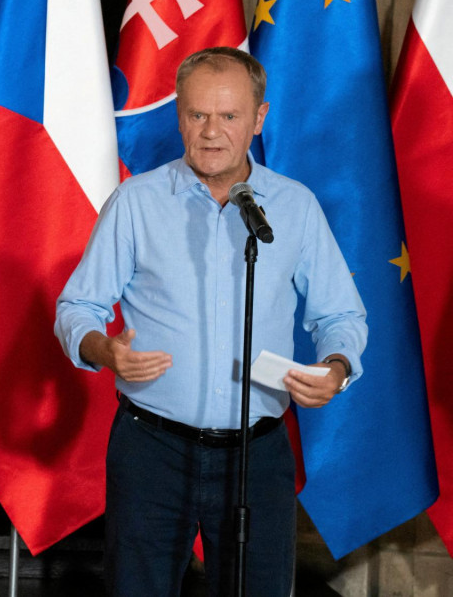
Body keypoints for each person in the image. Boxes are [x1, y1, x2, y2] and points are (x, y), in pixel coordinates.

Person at [54, 47, 367, 596]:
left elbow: (340, 313)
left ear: (258, 119)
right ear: (180, 116)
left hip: (258, 452)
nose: (211, 132)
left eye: (229, 117)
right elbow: (78, 308)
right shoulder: (135, 202)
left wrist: (337, 367)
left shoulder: (294, 207)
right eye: (198, 115)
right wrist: (106, 351)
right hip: (152, 448)